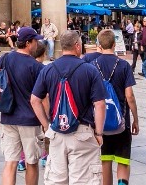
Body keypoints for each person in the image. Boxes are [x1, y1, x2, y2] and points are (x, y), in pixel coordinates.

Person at [30, 30, 106, 185]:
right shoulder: (90, 70)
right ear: (77, 46)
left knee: (57, 181)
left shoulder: (48, 69)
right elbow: (99, 104)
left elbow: (34, 100)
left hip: (57, 132)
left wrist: (46, 126)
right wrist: (99, 132)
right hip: (83, 132)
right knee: (83, 181)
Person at [0, 27, 45, 185]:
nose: (37, 43)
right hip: (30, 121)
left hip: (8, 118)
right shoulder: (37, 67)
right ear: (28, 43)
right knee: (32, 162)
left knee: (10, 162)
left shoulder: (5, 58)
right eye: (35, 40)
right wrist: (47, 123)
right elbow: (43, 98)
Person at [82, 29, 139, 185]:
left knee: (105, 162)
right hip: (122, 121)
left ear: (99, 45)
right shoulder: (124, 65)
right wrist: (135, 119)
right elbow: (130, 96)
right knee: (122, 161)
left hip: (100, 122)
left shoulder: (91, 65)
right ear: (114, 44)